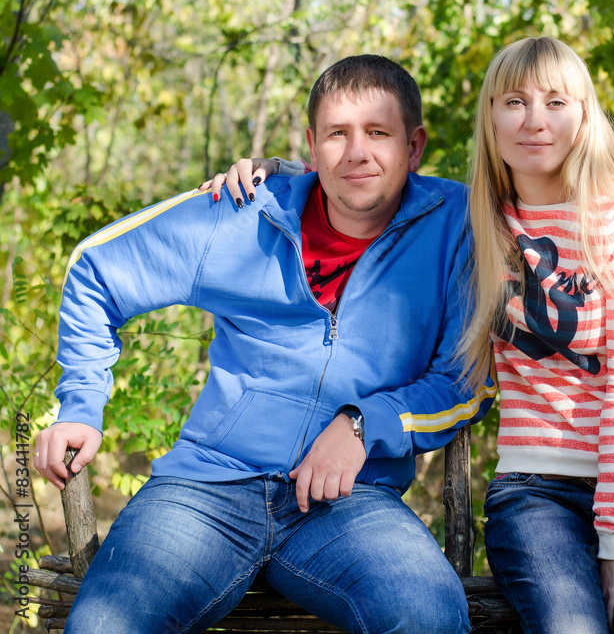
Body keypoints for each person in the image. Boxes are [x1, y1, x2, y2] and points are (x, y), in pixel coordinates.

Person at [217, 36, 614, 634]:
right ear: (490, 116)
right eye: (513, 101)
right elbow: (366, 181)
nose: (534, 120)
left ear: (585, 116)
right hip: (538, 492)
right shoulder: (477, 219)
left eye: (555, 102)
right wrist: (272, 177)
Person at [34, 54, 495, 634]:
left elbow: (463, 380)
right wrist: (81, 406)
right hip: (205, 492)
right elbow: (95, 268)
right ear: (311, 144)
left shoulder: (457, 224)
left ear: (415, 146)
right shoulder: (244, 211)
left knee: (428, 616)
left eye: (379, 132)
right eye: (337, 134)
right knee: (105, 626)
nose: (357, 151)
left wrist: (364, 424)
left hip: (349, 504)